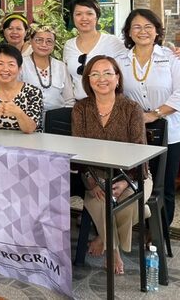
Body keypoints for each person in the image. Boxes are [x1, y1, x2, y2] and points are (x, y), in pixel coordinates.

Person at [71, 55, 151, 275]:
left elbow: (140, 150)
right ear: (88, 80)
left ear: (117, 78)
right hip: (96, 177)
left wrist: (126, 182)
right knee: (103, 202)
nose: (101, 78)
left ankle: (104, 239)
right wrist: (91, 183)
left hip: (135, 175)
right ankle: (114, 250)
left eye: (108, 73)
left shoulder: (131, 108)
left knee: (125, 205)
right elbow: (78, 151)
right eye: (95, 74)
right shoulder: (81, 109)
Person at [118, 9, 180, 226]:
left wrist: (153, 114)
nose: (143, 31)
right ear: (129, 32)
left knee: (163, 185)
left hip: (169, 131)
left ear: (157, 31)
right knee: (134, 179)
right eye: (137, 27)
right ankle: (133, 226)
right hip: (133, 131)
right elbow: (115, 91)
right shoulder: (120, 60)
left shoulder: (171, 59)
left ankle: (159, 233)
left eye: (148, 27)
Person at [63, 0, 126, 100]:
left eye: (89, 13)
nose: (84, 18)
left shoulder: (113, 43)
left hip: (109, 104)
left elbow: (125, 75)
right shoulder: (69, 45)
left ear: (97, 17)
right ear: (72, 17)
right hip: (79, 106)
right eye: (78, 14)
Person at [0, 44, 42, 133]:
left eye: (11, 64)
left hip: (28, 145)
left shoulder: (33, 92)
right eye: (0, 64)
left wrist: (19, 113)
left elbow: (30, 129)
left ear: (19, 68)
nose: (5, 69)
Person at [21, 24, 74, 111]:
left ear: (54, 44)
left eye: (49, 41)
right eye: (39, 40)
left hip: (57, 119)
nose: (44, 44)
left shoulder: (61, 67)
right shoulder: (21, 65)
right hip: (28, 119)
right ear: (30, 41)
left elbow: (69, 100)